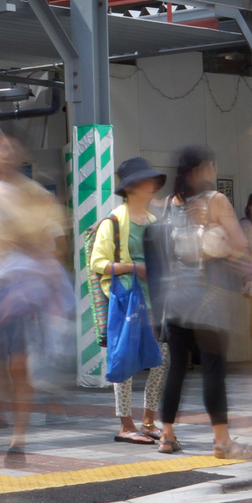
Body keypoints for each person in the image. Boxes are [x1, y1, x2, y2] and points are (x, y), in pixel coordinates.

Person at [153, 146, 252, 459]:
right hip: (208, 297)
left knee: (176, 369)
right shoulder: (216, 201)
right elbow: (239, 244)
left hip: (175, 298)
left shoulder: (171, 203)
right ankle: (222, 441)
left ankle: (167, 436)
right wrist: (224, 247)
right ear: (205, 168)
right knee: (213, 368)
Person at [90, 156, 168, 445]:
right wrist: (135, 268)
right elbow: (99, 263)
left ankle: (148, 420)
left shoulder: (153, 221)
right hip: (125, 300)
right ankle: (126, 424)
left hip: (152, 300)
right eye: (146, 181)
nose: (151, 187)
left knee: (162, 359)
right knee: (124, 359)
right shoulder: (112, 222)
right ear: (132, 187)